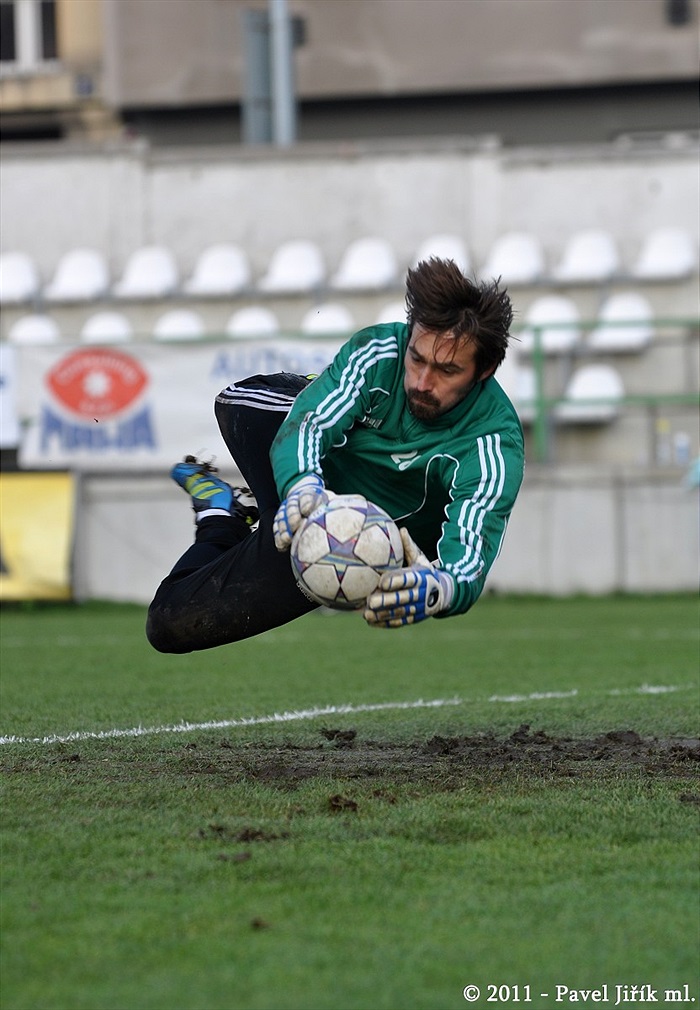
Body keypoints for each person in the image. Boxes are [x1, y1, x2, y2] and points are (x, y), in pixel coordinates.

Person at [146, 257, 524, 654]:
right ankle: (283, 504)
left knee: (170, 623)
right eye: (417, 358)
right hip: (302, 472)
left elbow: (469, 554)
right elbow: (310, 424)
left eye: (447, 371)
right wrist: (302, 483)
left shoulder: (494, 446)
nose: (423, 382)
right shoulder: (380, 352)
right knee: (244, 407)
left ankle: (221, 516)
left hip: (346, 547)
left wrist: (440, 588)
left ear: (485, 370)